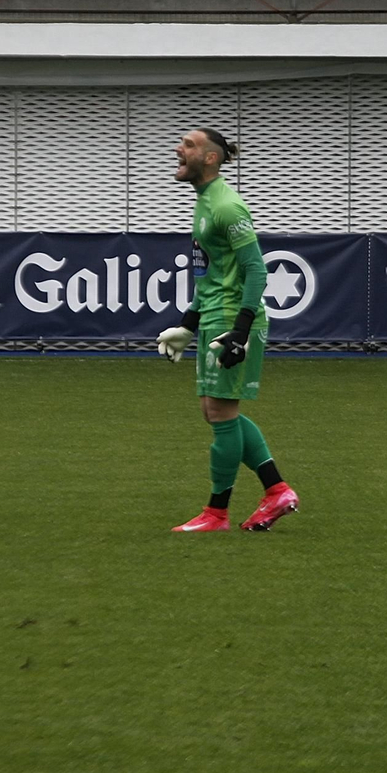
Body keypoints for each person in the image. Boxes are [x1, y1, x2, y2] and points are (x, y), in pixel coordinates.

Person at [157, 128, 300, 533]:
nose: (178, 148)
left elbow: (256, 269)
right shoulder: (205, 202)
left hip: (234, 320)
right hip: (216, 315)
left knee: (221, 412)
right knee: (215, 411)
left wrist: (239, 330)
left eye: (188, 144)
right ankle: (276, 491)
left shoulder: (227, 207)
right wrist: (187, 325)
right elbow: (213, 274)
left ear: (210, 159)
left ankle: (217, 513)